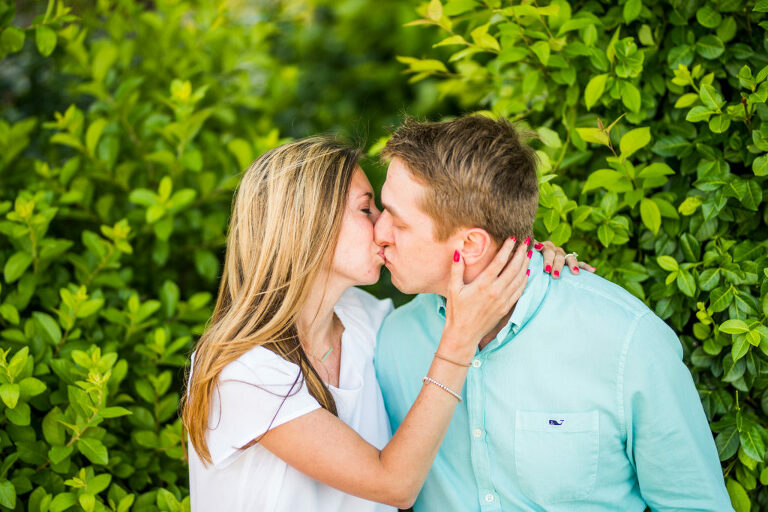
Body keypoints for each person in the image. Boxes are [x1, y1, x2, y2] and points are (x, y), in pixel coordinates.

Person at [180, 136, 584, 511]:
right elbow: (394, 483)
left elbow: (462, 290)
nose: (382, 227)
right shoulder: (243, 372)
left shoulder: (366, 320)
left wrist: (517, 262)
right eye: (366, 209)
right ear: (307, 225)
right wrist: (459, 340)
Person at [373, 115, 733, 511]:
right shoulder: (390, 342)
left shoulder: (627, 342)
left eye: (398, 222)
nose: (379, 233)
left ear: (471, 245)